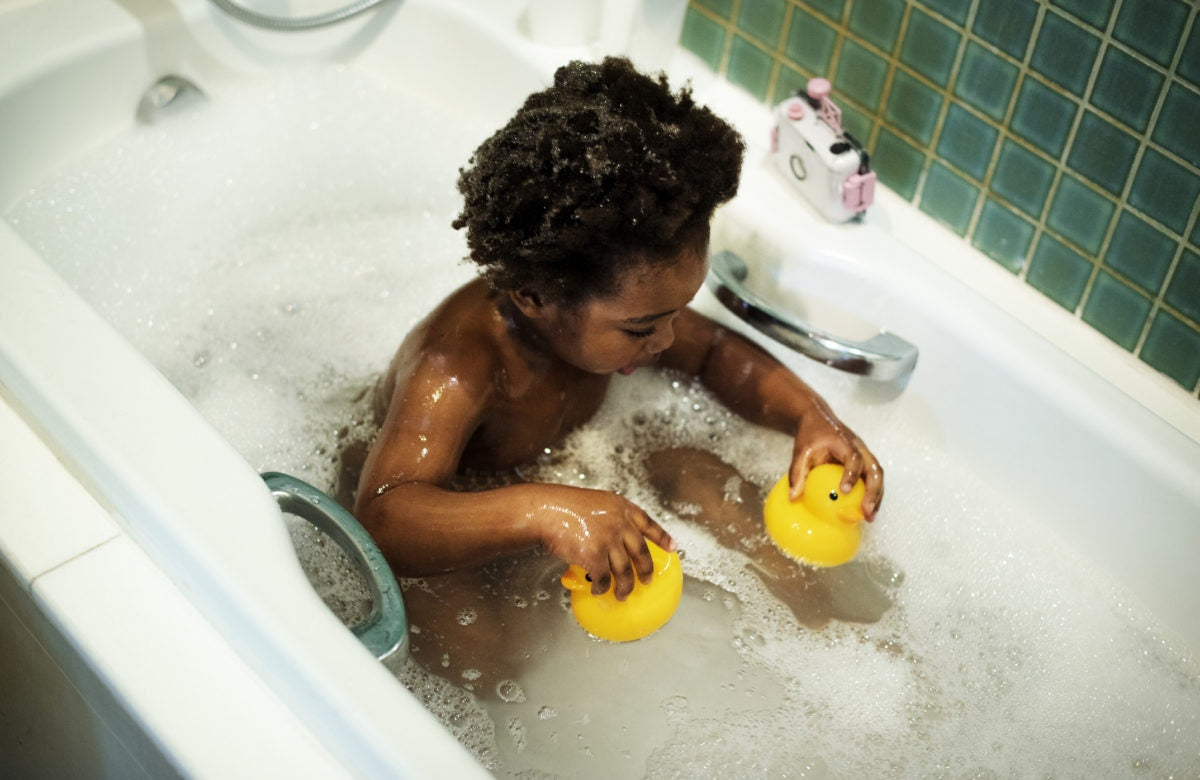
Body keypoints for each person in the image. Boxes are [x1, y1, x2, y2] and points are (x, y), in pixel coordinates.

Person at [354, 57, 883, 603]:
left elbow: (714, 354)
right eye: (643, 329)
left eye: (676, 314)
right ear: (535, 296)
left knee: (698, 472)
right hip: (448, 519)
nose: (669, 341)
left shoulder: (618, 311)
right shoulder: (459, 365)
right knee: (481, 653)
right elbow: (384, 516)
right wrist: (545, 511)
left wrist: (810, 419)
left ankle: (794, 594)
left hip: (564, 471)